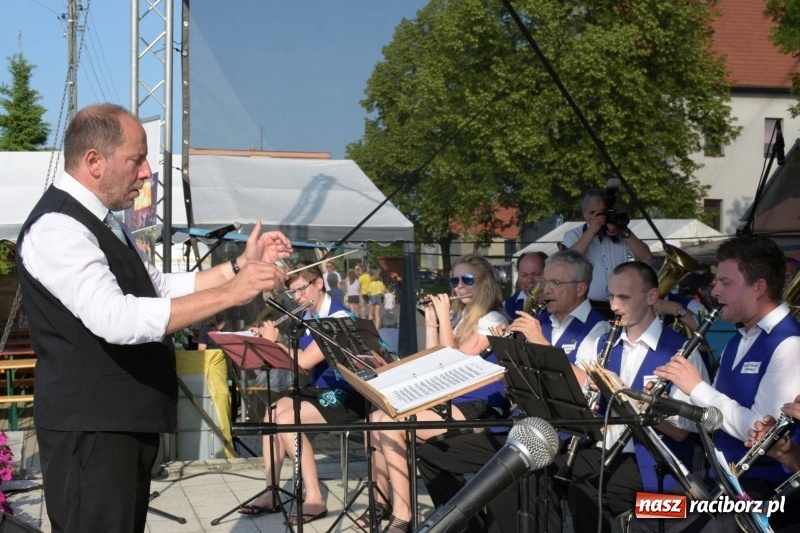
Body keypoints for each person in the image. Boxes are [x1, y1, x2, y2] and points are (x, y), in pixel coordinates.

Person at [15, 103, 291, 533]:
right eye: (135, 159)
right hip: (92, 433)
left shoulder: (104, 223)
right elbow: (117, 319)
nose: (145, 172)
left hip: (119, 425)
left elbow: (156, 287)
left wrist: (237, 267)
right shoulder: (58, 227)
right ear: (94, 161)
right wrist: (230, 293)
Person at [416, 250, 608, 533]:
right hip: (521, 427)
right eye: (546, 282)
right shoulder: (539, 319)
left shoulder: (598, 329)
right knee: (433, 454)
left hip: (565, 435)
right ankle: (471, 527)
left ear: (580, 288)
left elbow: (592, 388)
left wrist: (538, 342)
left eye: (556, 283)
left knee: (509, 476)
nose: (545, 289)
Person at [650, 235, 800, 532]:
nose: (714, 290)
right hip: (723, 482)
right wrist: (664, 406)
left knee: (698, 526)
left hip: (763, 490)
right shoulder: (740, 338)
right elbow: (712, 419)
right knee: (646, 510)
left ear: (759, 287)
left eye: (725, 283)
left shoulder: (789, 344)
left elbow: (759, 431)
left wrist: (697, 388)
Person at [547, 261, 709, 533]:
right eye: (610, 296)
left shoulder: (681, 351)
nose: (613, 306)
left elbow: (682, 434)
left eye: (623, 297)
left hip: (654, 463)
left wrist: (629, 401)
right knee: (539, 471)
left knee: (586, 492)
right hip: (606, 450)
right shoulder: (603, 343)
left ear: (651, 297)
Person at [365, 254, 508, 533]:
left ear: (485, 283)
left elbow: (452, 365)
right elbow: (435, 362)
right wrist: (432, 323)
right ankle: (385, 504)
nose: (458, 286)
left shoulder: (492, 319)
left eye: (467, 280)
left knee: (388, 422)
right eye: (454, 280)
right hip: (453, 401)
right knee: (377, 418)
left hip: (479, 405)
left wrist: (444, 318)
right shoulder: (465, 316)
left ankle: (403, 515)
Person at [240, 261, 358, 525]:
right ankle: (271, 491)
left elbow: (304, 362)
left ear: (319, 283)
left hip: (348, 393)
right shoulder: (306, 316)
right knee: (271, 414)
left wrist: (276, 343)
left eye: (302, 289)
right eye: (293, 292)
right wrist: (264, 345)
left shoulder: (337, 318)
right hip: (319, 390)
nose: (298, 297)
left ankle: (314, 497)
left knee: (286, 419)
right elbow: (298, 368)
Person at [563, 188, 651, 317]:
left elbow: (646, 257)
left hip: (621, 304)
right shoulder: (573, 235)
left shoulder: (620, 233)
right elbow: (571, 261)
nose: (600, 217)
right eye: (593, 213)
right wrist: (591, 230)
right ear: (585, 214)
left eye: (602, 212)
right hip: (588, 306)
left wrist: (625, 232)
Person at [502, 251, 546, 319]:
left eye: (536, 274)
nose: (529, 280)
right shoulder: (506, 306)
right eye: (524, 275)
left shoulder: (557, 303)